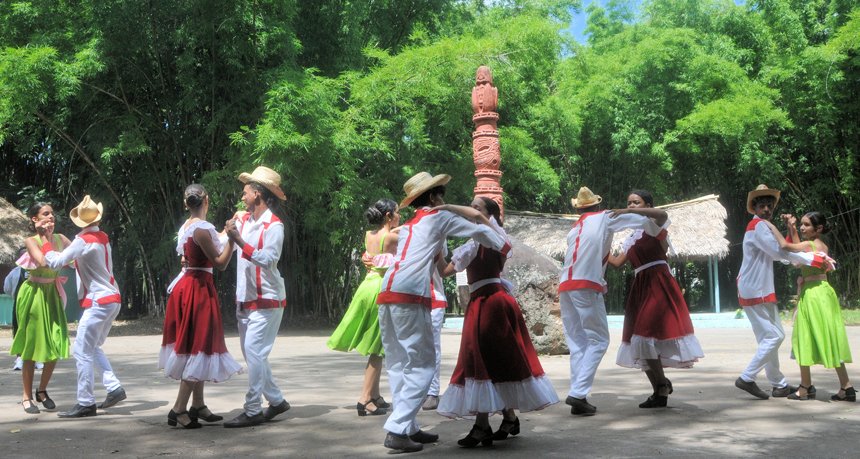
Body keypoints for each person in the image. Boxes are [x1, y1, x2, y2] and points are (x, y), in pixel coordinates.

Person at [376, 172, 509, 453]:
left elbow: (438, 259)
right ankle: (398, 428)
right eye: (441, 196)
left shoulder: (410, 226)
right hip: (410, 295)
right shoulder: (438, 216)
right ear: (435, 197)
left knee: (399, 364)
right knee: (423, 366)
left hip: (387, 292)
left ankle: (408, 425)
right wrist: (499, 239)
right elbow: (483, 233)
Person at [436, 197, 558, 448]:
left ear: (490, 214)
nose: (472, 210)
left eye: (477, 207)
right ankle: (509, 418)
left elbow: (478, 220)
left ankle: (482, 426)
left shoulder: (495, 235)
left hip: (493, 303)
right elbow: (444, 271)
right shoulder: (472, 242)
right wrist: (435, 244)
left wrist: (446, 207)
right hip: (481, 303)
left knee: (484, 358)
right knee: (490, 359)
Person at [558, 186, 664, 416]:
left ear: (578, 210)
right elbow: (651, 221)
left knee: (578, 344)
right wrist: (637, 216)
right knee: (598, 341)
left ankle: (578, 395)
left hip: (565, 286)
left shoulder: (574, 229)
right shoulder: (605, 217)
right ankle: (578, 394)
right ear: (598, 205)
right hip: (586, 284)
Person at [734, 185, 833, 400]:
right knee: (775, 336)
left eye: (770, 205)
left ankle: (778, 384)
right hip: (755, 287)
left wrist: (791, 231)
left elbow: (783, 249)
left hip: (758, 286)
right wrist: (813, 258)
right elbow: (780, 252)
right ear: (755, 208)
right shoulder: (759, 226)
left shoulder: (761, 226)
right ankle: (747, 377)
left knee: (768, 337)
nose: (767, 209)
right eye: (762, 205)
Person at [608, 190, 704, 408]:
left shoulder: (654, 226)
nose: (631, 206)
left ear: (648, 205)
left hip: (658, 283)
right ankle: (659, 390)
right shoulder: (631, 238)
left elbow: (662, 214)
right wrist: (599, 243)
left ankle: (661, 385)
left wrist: (626, 212)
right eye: (628, 203)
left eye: (636, 202)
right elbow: (616, 263)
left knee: (644, 337)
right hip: (640, 286)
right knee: (638, 340)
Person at [159, 184, 243, 429]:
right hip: (198, 288)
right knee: (198, 345)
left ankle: (198, 404)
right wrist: (233, 240)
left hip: (187, 286)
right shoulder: (203, 229)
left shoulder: (188, 226)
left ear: (186, 203)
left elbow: (205, 245)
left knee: (195, 344)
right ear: (207, 199)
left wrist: (226, 232)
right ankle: (178, 409)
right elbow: (220, 263)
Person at [40, 195, 126, 418]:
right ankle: (114, 387)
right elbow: (81, 260)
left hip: (99, 301)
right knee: (93, 347)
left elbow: (55, 262)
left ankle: (86, 402)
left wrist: (45, 240)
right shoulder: (102, 237)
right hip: (112, 299)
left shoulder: (82, 240)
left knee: (81, 350)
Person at [222, 166, 291, 428]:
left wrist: (239, 240)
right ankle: (277, 401)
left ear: (258, 195)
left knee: (254, 352)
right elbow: (224, 244)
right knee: (254, 355)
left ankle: (252, 410)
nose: (242, 197)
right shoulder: (245, 221)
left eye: (245, 193)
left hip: (267, 300)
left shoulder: (274, 226)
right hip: (245, 298)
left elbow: (268, 259)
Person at [764, 211, 853, 401]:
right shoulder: (822, 246)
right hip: (824, 292)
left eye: (806, 225)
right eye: (801, 224)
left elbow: (786, 246)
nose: (802, 227)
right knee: (831, 336)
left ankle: (805, 387)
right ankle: (846, 387)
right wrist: (791, 227)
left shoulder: (809, 245)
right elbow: (799, 254)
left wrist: (770, 226)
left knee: (802, 336)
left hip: (812, 294)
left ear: (818, 228)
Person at [327, 198, 401, 417]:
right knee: (377, 347)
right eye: (397, 212)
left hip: (367, 286)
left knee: (378, 344)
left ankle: (375, 395)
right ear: (388, 216)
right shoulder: (392, 237)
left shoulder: (369, 235)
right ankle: (365, 398)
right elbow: (412, 236)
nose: (400, 217)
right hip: (380, 289)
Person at [9, 203, 71, 414]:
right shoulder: (31, 241)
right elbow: (44, 262)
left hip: (52, 294)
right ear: (35, 219)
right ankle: (26, 397)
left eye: (52, 213)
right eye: (46, 214)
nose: (51, 217)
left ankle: (42, 390)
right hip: (34, 295)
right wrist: (44, 237)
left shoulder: (61, 239)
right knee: (31, 347)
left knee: (56, 343)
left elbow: (76, 254)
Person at [4, 247, 30, 371]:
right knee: (18, 329)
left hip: (34, 304)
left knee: (34, 330)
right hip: (18, 305)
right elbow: (7, 288)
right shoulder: (14, 272)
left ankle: (36, 358)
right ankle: (19, 358)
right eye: (22, 255)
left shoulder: (38, 270)